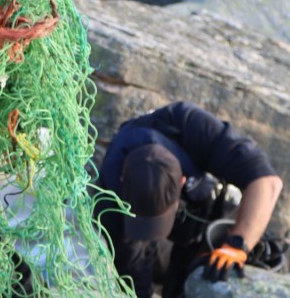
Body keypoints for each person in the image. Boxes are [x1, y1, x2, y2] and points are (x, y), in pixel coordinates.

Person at [95, 101, 283, 298]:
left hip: (207, 216)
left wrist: (237, 244)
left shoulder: (191, 126)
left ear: (183, 181)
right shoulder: (109, 191)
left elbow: (267, 183)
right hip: (150, 238)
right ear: (122, 181)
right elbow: (130, 264)